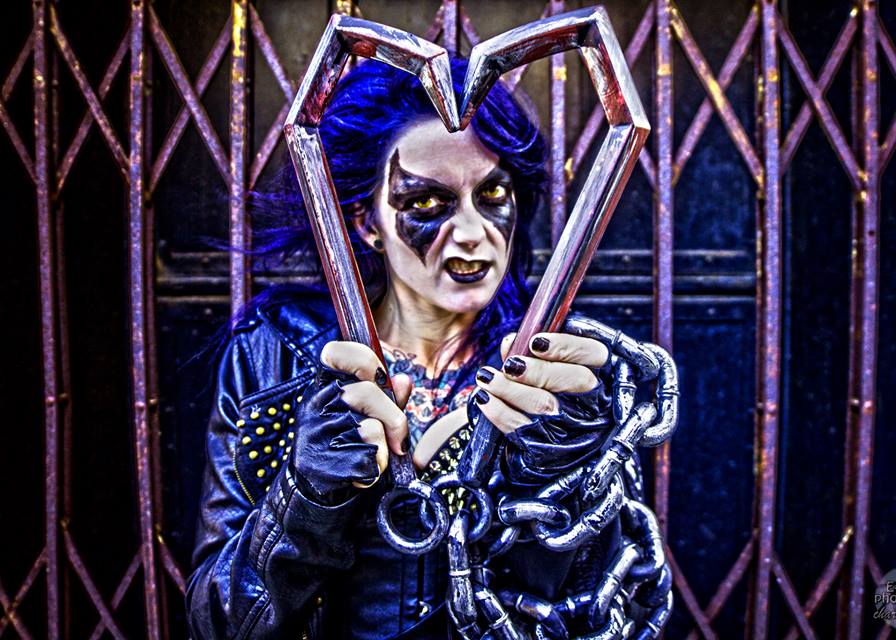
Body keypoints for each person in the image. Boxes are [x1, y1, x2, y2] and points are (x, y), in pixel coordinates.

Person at [186, 57, 669, 639]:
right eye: (425, 203)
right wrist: (306, 497)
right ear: (366, 222)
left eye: (493, 193)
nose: (471, 233)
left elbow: (606, 606)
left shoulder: (561, 370)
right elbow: (215, 623)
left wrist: (559, 467)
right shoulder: (275, 353)